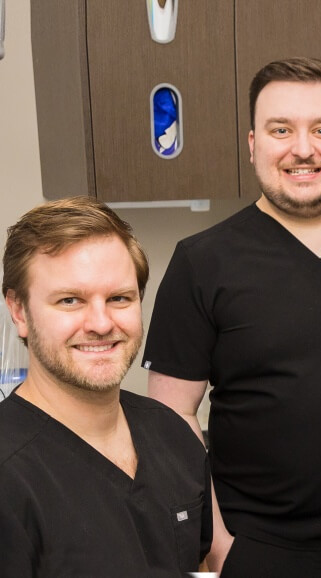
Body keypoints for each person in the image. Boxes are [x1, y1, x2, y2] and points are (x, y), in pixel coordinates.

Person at [143, 57, 321, 577]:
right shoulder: (202, 262)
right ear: (254, 144)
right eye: (282, 130)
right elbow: (169, 419)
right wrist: (218, 545)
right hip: (257, 552)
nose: (303, 148)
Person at [0, 197, 213, 577]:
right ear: (19, 311)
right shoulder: (12, 477)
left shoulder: (173, 437)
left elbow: (197, 564)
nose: (100, 323)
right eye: (70, 300)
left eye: (119, 298)